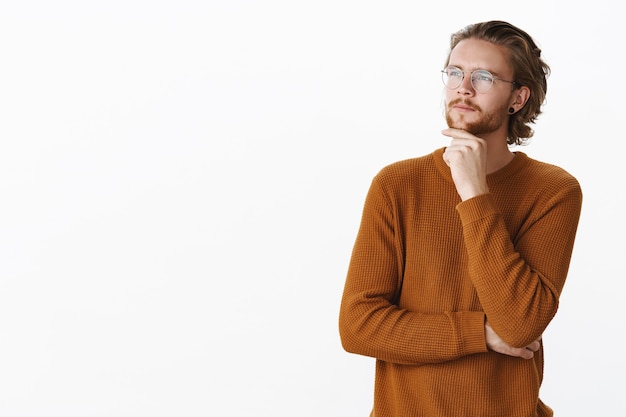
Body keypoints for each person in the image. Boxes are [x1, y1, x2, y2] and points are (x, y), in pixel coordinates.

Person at [338, 20, 582, 417]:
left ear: (517, 98)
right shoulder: (396, 184)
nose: (463, 87)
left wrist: (474, 193)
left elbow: (520, 326)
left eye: (483, 77)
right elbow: (358, 327)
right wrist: (480, 335)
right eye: (455, 72)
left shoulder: (553, 191)